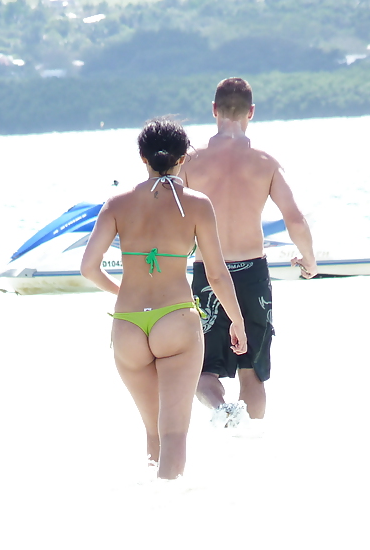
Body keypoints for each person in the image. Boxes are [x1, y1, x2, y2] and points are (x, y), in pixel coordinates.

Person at [81, 118, 247, 480]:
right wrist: (236, 320)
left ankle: (152, 511)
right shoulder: (197, 205)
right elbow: (217, 274)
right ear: (184, 158)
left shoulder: (116, 205)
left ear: (143, 158)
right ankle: (170, 514)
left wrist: (120, 293)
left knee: (154, 433)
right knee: (174, 434)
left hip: (127, 326)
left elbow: (88, 268)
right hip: (176, 319)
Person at [179, 77, 318, 426]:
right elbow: (295, 220)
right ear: (251, 113)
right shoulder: (266, 162)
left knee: (203, 370)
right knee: (251, 372)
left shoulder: (189, 162)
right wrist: (310, 261)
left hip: (208, 274)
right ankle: (251, 445)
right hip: (253, 275)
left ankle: (222, 412)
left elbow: (172, 217)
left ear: (213, 110)